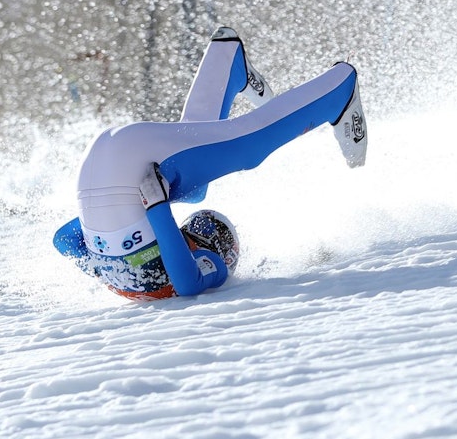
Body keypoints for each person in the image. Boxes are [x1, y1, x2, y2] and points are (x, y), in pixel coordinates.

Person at [53, 26, 367, 301]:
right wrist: (109, 237)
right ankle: (232, 64)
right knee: (197, 182)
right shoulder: (133, 282)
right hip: (109, 167)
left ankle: (336, 91)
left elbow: (189, 284)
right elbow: (65, 240)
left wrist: (150, 210)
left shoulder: (162, 278)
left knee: (248, 145)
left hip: (127, 163)